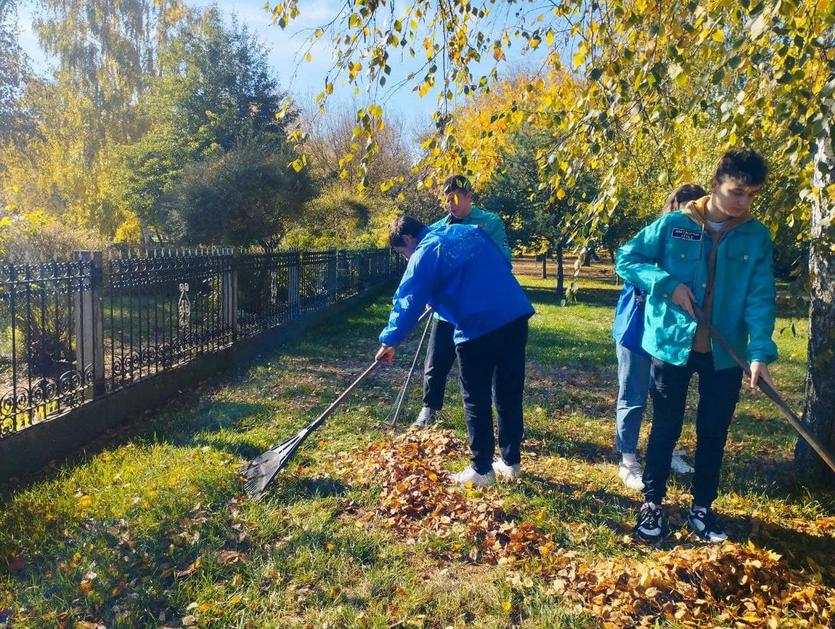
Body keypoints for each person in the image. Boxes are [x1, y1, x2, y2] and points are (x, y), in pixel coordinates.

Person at [616, 148, 777, 543]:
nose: (743, 203)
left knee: (713, 431)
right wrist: (667, 285)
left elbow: (760, 296)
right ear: (715, 185)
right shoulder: (674, 225)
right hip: (673, 344)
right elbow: (627, 259)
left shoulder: (756, 237)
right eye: (737, 192)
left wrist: (758, 353)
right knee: (665, 427)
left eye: (751, 195)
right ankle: (652, 506)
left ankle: (702, 509)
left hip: (725, 352)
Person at [376, 216, 534, 486]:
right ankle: (511, 462)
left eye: (402, 253)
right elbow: (495, 265)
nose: (405, 259)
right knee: (508, 391)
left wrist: (389, 340)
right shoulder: (464, 232)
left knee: (476, 396)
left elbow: (407, 299)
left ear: (407, 240)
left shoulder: (425, 250)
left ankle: (482, 469)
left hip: (478, 326)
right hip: (514, 317)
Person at [613, 184, 706, 491]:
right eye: (684, 206)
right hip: (637, 327)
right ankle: (628, 460)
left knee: (667, 399)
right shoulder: (656, 237)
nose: (690, 214)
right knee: (634, 393)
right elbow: (628, 265)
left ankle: (666, 453)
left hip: (672, 336)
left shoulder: (701, 247)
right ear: (673, 207)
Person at [412, 174, 513, 429]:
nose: (451, 204)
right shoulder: (437, 228)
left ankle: (486, 415)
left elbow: (501, 261)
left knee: (480, 366)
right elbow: (428, 267)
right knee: (436, 362)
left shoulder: (489, 223)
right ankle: (428, 409)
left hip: (476, 310)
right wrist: (428, 291)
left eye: (456, 198)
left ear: (470, 196)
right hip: (445, 311)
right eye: (447, 199)